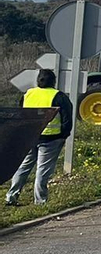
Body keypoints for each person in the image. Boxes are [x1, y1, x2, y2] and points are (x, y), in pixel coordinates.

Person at [8, 69, 72, 207]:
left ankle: (11, 196)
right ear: (54, 82)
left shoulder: (28, 94)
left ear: (38, 81)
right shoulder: (59, 96)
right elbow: (67, 118)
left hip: (29, 136)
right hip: (51, 138)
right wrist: (64, 135)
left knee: (23, 167)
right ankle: (40, 201)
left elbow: (20, 113)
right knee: (42, 170)